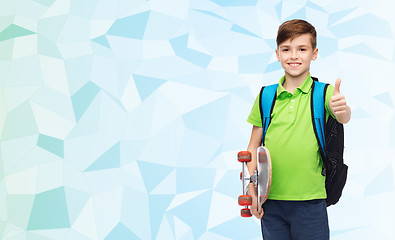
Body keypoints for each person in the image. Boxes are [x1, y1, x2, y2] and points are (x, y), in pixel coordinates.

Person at [246, 19, 351, 240]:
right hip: (270, 202)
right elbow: (252, 148)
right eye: (287, 49)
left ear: (314, 53)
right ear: (277, 54)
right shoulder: (266, 96)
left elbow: (343, 117)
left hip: (311, 202)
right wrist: (252, 190)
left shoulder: (324, 93)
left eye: (302, 49)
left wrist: (342, 110)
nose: (294, 56)